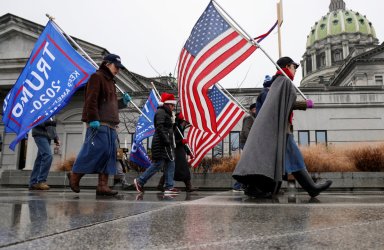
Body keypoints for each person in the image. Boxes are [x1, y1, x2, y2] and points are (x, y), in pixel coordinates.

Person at [233, 56, 332, 198]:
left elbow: (281, 105)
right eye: (293, 66)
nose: (295, 69)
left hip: (278, 130)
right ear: (286, 66)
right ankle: (311, 187)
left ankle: (305, 187)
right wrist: (305, 104)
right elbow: (287, 104)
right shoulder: (284, 81)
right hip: (280, 131)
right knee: (295, 158)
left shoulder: (277, 83)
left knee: (288, 159)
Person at [68, 53, 131, 196]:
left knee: (109, 155)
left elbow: (111, 105)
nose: (118, 70)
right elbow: (91, 100)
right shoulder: (97, 77)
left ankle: (102, 185)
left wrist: (123, 102)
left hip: (110, 124)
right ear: (107, 64)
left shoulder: (111, 82)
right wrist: (92, 118)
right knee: (96, 151)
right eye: (117, 66)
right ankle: (75, 175)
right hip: (99, 123)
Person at [133, 92, 179, 195]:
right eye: (172, 105)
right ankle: (140, 181)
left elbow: (168, 129)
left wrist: (173, 123)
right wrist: (166, 140)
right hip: (162, 143)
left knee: (170, 163)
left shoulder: (166, 114)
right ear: (167, 104)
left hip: (166, 143)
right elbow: (160, 127)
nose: (173, 107)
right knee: (159, 164)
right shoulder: (161, 112)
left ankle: (169, 186)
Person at [157, 113, 197, 192]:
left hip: (180, 152)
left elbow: (183, 143)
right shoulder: (175, 128)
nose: (185, 123)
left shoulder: (180, 128)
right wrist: (181, 141)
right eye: (184, 122)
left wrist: (189, 152)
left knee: (181, 169)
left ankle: (188, 186)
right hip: (176, 152)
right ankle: (161, 184)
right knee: (173, 169)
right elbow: (172, 141)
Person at [29, 117, 60, 190]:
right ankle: (41, 181)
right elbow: (35, 121)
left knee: (40, 159)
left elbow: (52, 128)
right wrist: (48, 122)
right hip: (39, 134)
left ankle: (33, 182)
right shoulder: (40, 108)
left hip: (47, 136)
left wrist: (56, 138)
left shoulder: (52, 113)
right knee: (48, 156)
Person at [233, 103, 257, 192]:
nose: (256, 110)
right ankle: (238, 186)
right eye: (254, 109)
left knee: (248, 165)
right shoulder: (249, 117)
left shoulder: (253, 118)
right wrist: (251, 141)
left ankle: (242, 185)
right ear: (251, 110)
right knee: (247, 165)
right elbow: (246, 130)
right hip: (246, 143)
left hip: (248, 143)